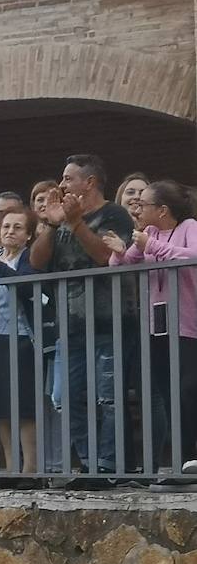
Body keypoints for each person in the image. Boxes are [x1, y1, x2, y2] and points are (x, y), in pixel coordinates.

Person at [30, 154, 134, 485]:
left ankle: (107, 467)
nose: (61, 185)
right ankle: (89, 463)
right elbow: (37, 262)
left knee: (108, 397)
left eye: (68, 178)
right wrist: (51, 222)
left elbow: (106, 256)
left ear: (89, 183)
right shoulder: (62, 221)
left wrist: (76, 224)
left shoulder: (114, 214)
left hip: (109, 322)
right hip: (69, 326)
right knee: (64, 398)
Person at [106, 180, 197, 477]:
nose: (137, 207)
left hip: (187, 323)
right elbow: (120, 265)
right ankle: (183, 459)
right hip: (158, 325)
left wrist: (152, 246)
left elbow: (192, 258)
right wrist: (120, 251)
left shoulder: (188, 227)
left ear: (162, 210)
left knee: (187, 389)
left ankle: (192, 453)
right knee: (168, 390)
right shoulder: (148, 233)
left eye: (143, 203)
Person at [0, 207, 40, 481]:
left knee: (22, 403)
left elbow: (25, 285)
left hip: (17, 335)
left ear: (28, 235)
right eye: (5, 227)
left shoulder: (26, 257)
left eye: (17, 227)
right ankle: (11, 465)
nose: (10, 231)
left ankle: (31, 468)